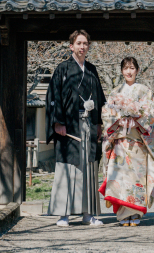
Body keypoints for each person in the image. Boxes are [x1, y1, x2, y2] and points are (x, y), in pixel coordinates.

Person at [45, 30, 107, 227]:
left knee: (89, 166)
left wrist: (98, 123)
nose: (82, 47)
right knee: (67, 166)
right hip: (68, 125)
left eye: (85, 43)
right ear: (71, 46)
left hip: (88, 123)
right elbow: (53, 97)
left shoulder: (91, 69)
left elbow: (98, 97)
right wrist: (58, 122)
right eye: (79, 43)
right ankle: (63, 214)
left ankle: (88, 214)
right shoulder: (62, 69)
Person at [99, 57, 154, 227]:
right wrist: (118, 120)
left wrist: (138, 120)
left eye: (132, 68)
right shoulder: (115, 92)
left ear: (137, 70)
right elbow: (107, 114)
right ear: (121, 71)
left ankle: (136, 214)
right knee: (121, 178)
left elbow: (152, 113)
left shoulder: (145, 91)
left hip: (138, 141)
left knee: (137, 177)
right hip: (120, 140)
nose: (129, 71)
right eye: (126, 68)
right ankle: (123, 215)